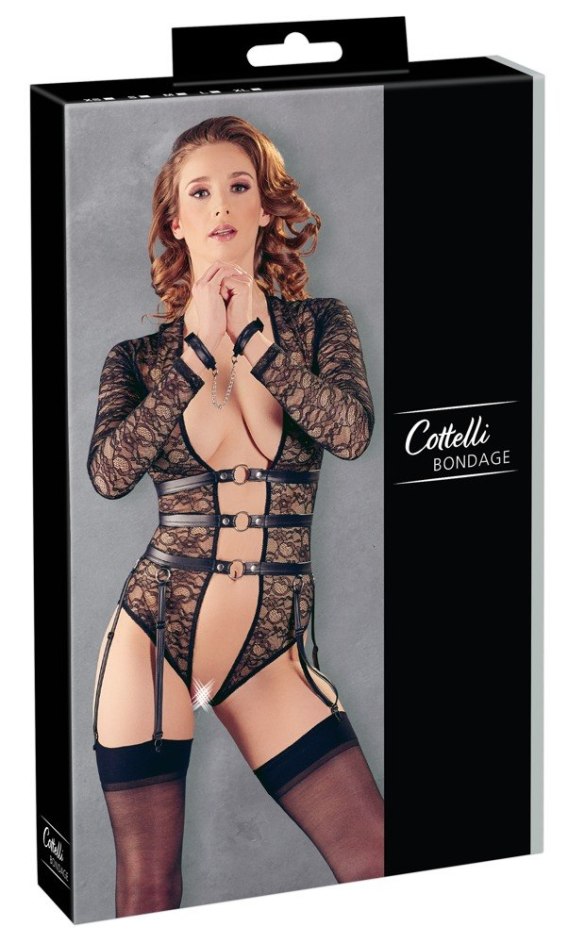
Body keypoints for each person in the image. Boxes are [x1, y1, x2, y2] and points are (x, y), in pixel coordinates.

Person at [88, 115, 384, 918]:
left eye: (239, 186)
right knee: (150, 890)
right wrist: (193, 358)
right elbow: (109, 473)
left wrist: (257, 343)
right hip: (154, 635)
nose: (220, 203)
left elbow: (351, 433)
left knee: (378, 862)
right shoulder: (139, 360)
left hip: (268, 653)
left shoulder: (320, 326)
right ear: (176, 223)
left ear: (264, 208)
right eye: (199, 192)